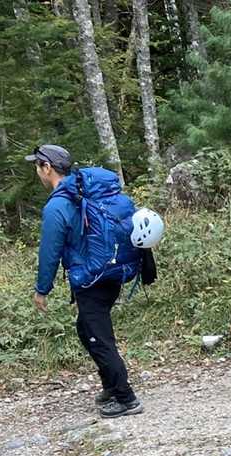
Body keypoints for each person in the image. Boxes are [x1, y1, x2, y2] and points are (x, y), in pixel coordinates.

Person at [29, 143, 143, 418]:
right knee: (86, 329)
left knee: (98, 337)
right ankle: (111, 387)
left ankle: (126, 398)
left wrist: (42, 289)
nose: (37, 172)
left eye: (37, 167)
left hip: (91, 280)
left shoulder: (58, 205)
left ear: (47, 168)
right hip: (110, 273)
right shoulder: (85, 193)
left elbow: (49, 251)